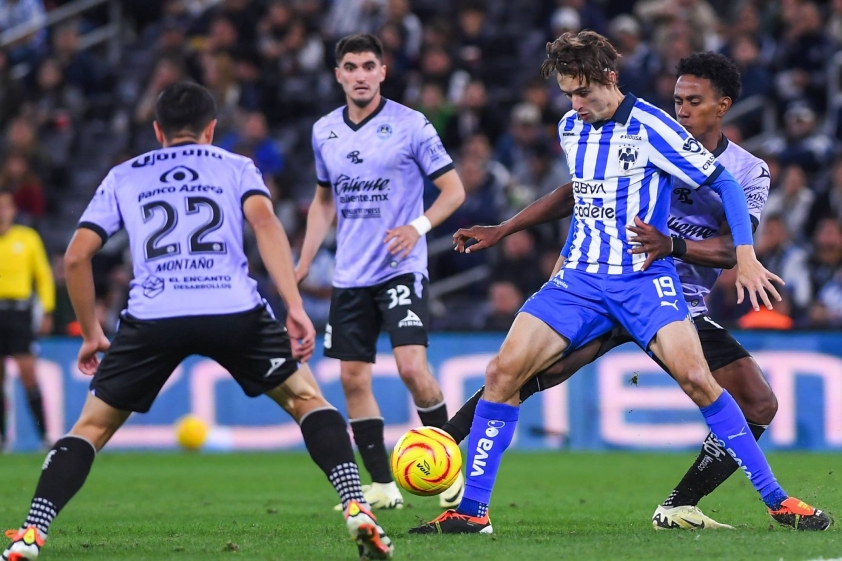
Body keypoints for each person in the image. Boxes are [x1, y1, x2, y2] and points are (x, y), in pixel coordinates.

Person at [411, 32, 829, 535]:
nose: (575, 104)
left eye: (583, 92)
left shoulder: (656, 129)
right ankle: (470, 508)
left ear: (609, 79)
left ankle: (774, 500)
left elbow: (724, 184)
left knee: (704, 383)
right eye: (568, 93)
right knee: (505, 372)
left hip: (646, 283)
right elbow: (580, 190)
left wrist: (743, 256)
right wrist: (504, 229)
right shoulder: (572, 126)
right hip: (582, 280)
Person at [2, 82, 393, 561]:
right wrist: (293, 305)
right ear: (211, 129)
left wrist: (90, 333)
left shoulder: (124, 175)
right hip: (233, 308)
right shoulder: (235, 166)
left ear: (157, 131)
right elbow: (265, 224)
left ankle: (31, 533)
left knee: (91, 428)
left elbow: (77, 257)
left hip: (154, 314)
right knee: (306, 399)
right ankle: (356, 504)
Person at [296, 34, 466, 511]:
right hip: (350, 275)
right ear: (338, 75)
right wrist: (304, 260)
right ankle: (382, 486)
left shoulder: (411, 125)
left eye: (369, 66)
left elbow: (454, 190)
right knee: (352, 378)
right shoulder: (324, 131)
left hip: (400, 269)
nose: (360, 75)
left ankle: (449, 469)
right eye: (351, 67)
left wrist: (417, 227)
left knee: (412, 368)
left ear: (383, 72)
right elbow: (323, 201)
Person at [0, 189, 54, 452]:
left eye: (5, 207)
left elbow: (42, 275)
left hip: (19, 313)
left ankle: (44, 436)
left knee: (28, 375)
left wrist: (47, 310)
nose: (1, 212)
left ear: (13, 210)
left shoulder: (28, 238)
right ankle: (2, 439)